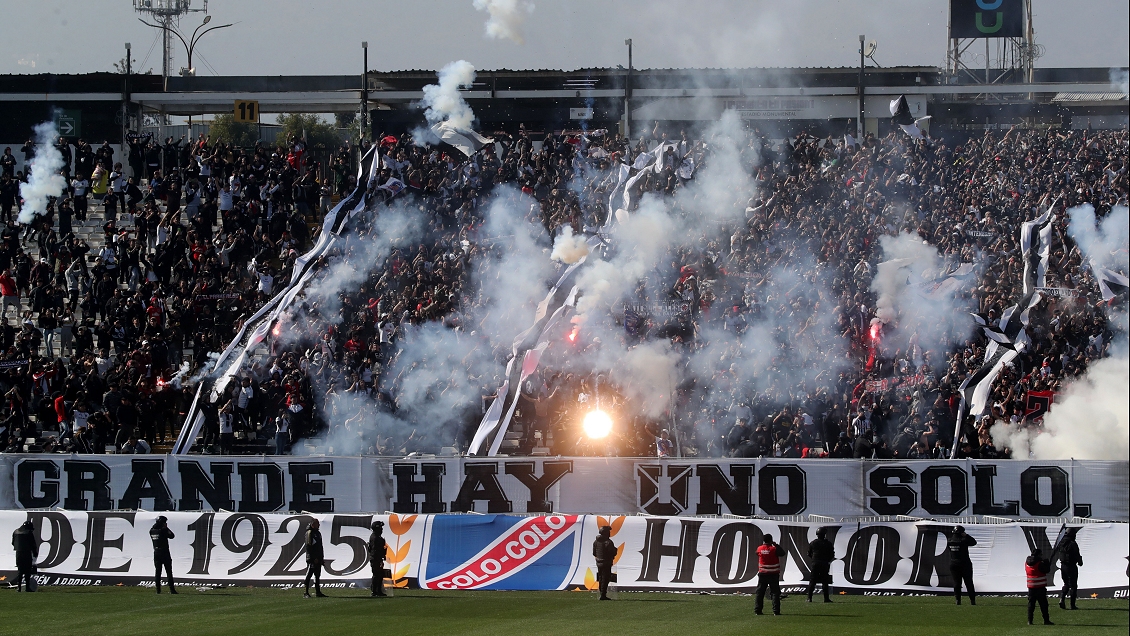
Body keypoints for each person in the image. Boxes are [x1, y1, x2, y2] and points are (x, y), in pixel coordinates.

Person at [947, 525, 977, 605]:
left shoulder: (949, 541)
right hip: (965, 563)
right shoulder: (963, 540)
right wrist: (966, 535)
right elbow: (974, 542)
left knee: (957, 583)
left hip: (953, 563)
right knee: (969, 582)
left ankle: (958, 600)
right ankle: (972, 601)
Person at [805, 527, 835, 602]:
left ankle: (809, 598)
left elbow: (809, 553)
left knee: (812, 581)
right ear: (824, 534)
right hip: (824, 563)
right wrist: (827, 560)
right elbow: (832, 554)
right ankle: (826, 598)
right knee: (825, 581)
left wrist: (814, 559)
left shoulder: (813, 543)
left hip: (815, 563)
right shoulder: (828, 543)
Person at [755, 533, 782, 615]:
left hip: (763, 574)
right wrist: (776, 545)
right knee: (775, 593)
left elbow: (756, 553)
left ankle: (758, 610)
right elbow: (782, 553)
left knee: (760, 593)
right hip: (773, 574)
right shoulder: (774, 549)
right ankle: (776, 611)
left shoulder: (760, 548)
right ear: (771, 540)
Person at [1025, 547, 1054, 625]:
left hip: (1031, 586)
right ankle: (1046, 620)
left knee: (1031, 604)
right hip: (1040, 586)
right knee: (1043, 604)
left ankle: (1030, 620)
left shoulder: (1027, 563)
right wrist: (1047, 563)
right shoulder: (1040, 563)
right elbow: (1046, 570)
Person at [150, 515, 177, 594]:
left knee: (158, 572)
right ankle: (172, 589)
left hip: (156, 552)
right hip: (164, 552)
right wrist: (166, 528)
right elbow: (172, 536)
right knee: (169, 571)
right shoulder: (163, 531)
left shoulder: (151, 530)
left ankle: (158, 590)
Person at [1057, 527, 1082, 610]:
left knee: (1066, 584)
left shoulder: (1061, 543)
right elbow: (1077, 554)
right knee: (1073, 585)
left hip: (1063, 566)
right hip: (1071, 566)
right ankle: (1072, 605)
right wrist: (1080, 561)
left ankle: (1062, 599)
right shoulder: (1072, 543)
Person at [11, 519, 39, 592]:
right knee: (27, 571)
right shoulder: (28, 533)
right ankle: (27, 587)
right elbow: (33, 544)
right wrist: (35, 553)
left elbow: (13, 543)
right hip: (26, 553)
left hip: (18, 553)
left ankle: (19, 587)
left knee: (20, 571)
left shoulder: (16, 532)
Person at [303, 518, 326, 598]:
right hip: (312, 559)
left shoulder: (318, 533)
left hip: (318, 558)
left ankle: (318, 592)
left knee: (317, 575)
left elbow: (320, 546)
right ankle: (305, 592)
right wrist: (313, 558)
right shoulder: (309, 533)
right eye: (317, 523)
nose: (319, 525)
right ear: (313, 525)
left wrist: (321, 558)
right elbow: (308, 547)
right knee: (309, 575)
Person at [592, 525, 616, 601]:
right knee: (605, 578)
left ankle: (602, 593)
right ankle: (603, 594)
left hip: (599, 562)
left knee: (601, 578)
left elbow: (594, 553)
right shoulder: (608, 542)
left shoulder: (596, 541)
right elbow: (612, 552)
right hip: (606, 562)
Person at [368, 520, 387, 597]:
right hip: (376, 559)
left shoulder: (376, 537)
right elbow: (375, 550)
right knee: (377, 574)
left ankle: (378, 590)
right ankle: (375, 591)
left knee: (379, 574)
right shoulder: (375, 538)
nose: (382, 529)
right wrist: (380, 559)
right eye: (381, 528)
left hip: (376, 558)